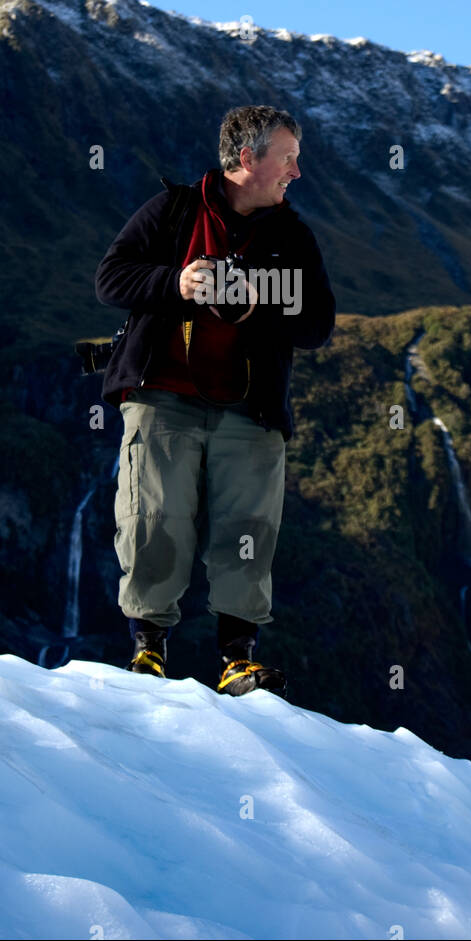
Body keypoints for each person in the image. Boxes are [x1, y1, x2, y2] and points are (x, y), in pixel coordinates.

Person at [94, 105, 336, 695]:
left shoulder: (291, 235)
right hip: (160, 395)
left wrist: (259, 304)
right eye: (288, 158)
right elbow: (111, 278)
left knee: (248, 528)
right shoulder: (173, 211)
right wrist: (177, 283)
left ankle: (237, 658)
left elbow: (319, 324)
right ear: (248, 159)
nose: (296, 173)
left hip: (249, 406)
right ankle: (148, 651)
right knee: (153, 518)